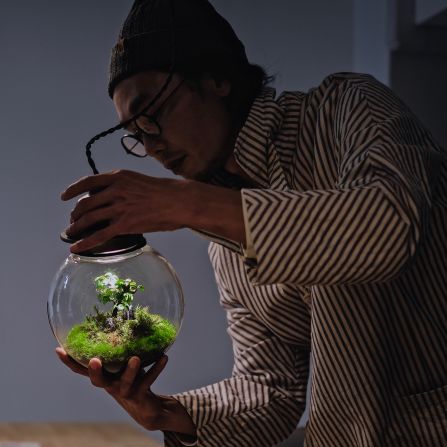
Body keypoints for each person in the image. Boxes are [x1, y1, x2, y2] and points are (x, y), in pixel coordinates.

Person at [55, 0, 447, 446]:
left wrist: (187, 204)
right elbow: (270, 388)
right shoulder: (226, 240)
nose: (153, 143)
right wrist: (165, 412)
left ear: (218, 78)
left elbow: (387, 228)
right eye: (136, 135)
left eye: (152, 113)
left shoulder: (346, 110)